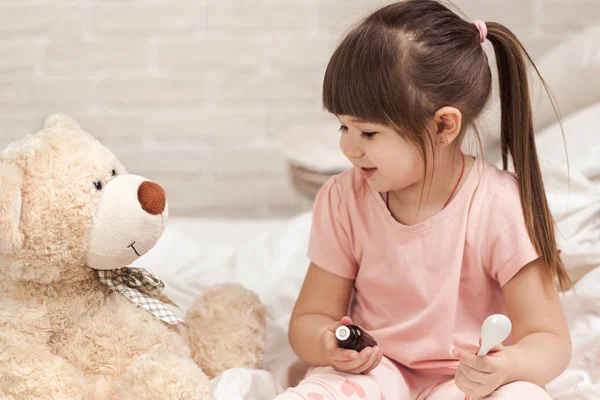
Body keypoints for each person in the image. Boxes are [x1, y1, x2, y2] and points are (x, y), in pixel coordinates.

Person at [276, 1, 572, 399]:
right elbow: (310, 318)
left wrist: (508, 366)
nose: (348, 147)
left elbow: (548, 338)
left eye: (368, 133)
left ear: (443, 126)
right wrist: (326, 342)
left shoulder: (500, 205)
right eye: (343, 125)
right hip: (376, 370)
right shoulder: (343, 198)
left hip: (468, 380)